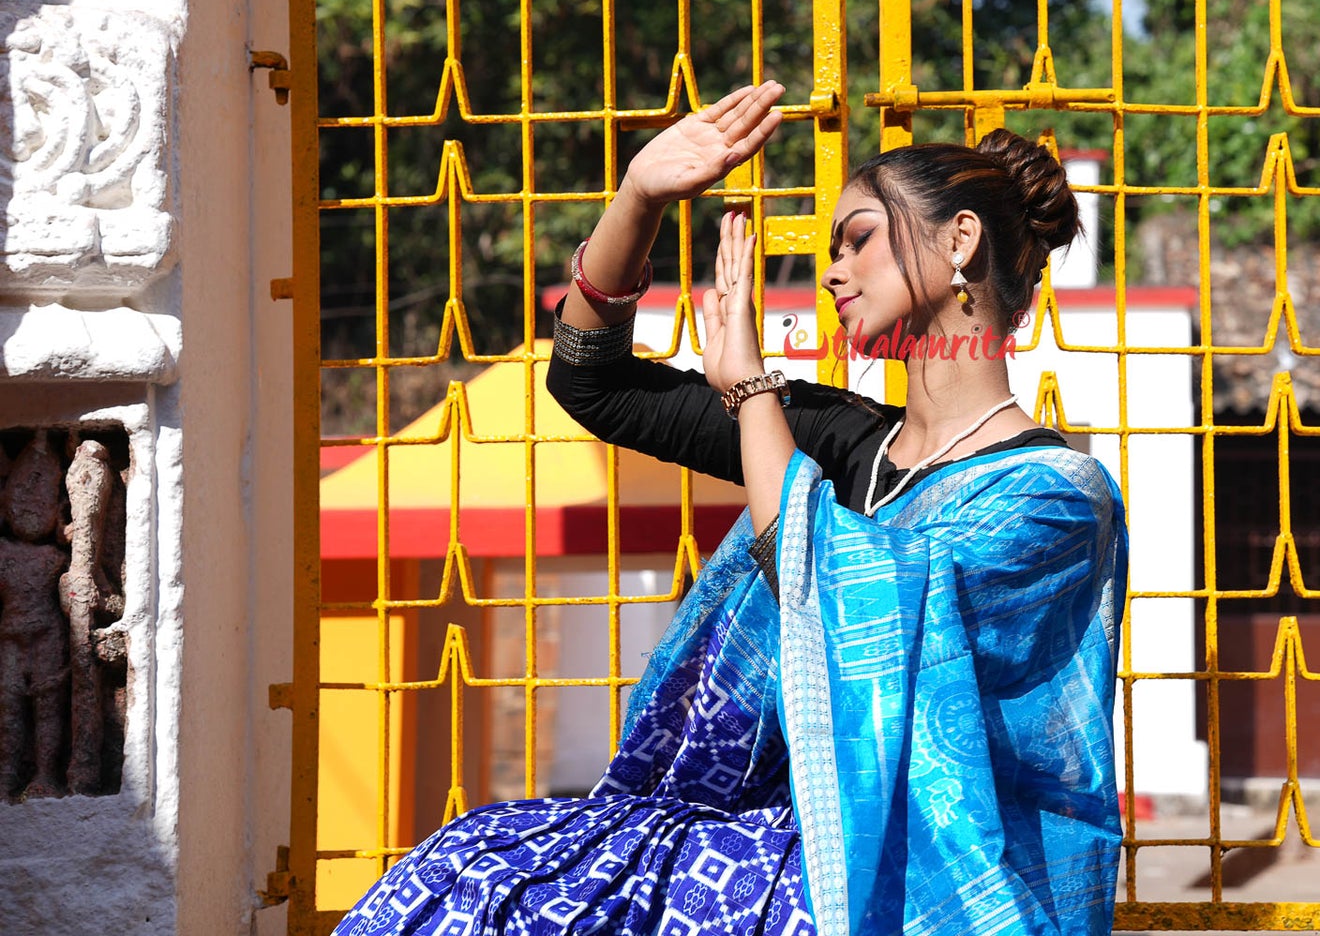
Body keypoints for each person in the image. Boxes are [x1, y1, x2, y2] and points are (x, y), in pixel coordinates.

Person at [335, 80, 1129, 936]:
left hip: (939, 883)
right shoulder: (837, 442)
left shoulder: (1056, 500)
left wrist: (753, 389)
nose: (831, 272)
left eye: (859, 240)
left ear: (960, 240)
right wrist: (638, 196)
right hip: (779, 840)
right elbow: (591, 381)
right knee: (474, 867)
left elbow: (840, 593)